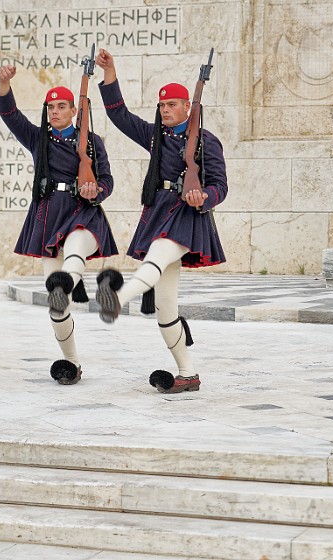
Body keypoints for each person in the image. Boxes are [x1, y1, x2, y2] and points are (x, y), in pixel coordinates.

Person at [94, 49, 228, 394]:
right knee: (166, 309)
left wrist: (204, 197)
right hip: (159, 211)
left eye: (172, 105)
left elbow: (220, 186)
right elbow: (119, 114)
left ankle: (117, 301)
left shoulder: (206, 142)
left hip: (186, 217)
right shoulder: (156, 135)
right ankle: (188, 373)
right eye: (162, 106)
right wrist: (110, 73)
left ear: (188, 107)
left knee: (154, 262)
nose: (165, 110)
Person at [0, 65, 117, 385]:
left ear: (74, 110)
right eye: (51, 106)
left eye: (61, 106)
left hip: (83, 212)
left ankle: (70, 279)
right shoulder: (39, 139)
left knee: (76, 243)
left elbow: (106, 181)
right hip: (50, 216)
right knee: (56, 303)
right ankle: (71, 362)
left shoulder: (91, 142)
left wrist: (96, 190)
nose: (55, 111)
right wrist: (4, 84)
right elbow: (11, 116)